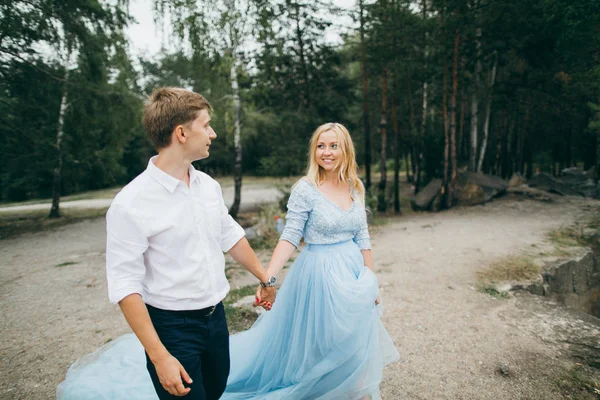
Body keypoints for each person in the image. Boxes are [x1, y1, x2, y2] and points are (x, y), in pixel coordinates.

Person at [56, 87, 276, 400]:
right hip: (172, 328)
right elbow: (125, 285)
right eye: (206, 124)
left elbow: (230, 234)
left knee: (215, 391)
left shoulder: (207, 186)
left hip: (216, 319)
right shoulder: (130, 204)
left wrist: (265, 277)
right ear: (182, 132)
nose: (212, 133)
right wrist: (160, 357)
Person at [222, 122, 399, 399]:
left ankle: (354, 389)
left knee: (356, 334)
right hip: (319, 272)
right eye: (320, 146)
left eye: (333, 146)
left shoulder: (355, 186)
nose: (326, 152)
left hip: (353, 273)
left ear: (345, 150)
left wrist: (370, 280)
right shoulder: (306, 189)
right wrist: (268, 277)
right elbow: (290, 236)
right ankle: (320, 389)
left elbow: (362, 236)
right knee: (323, 339)